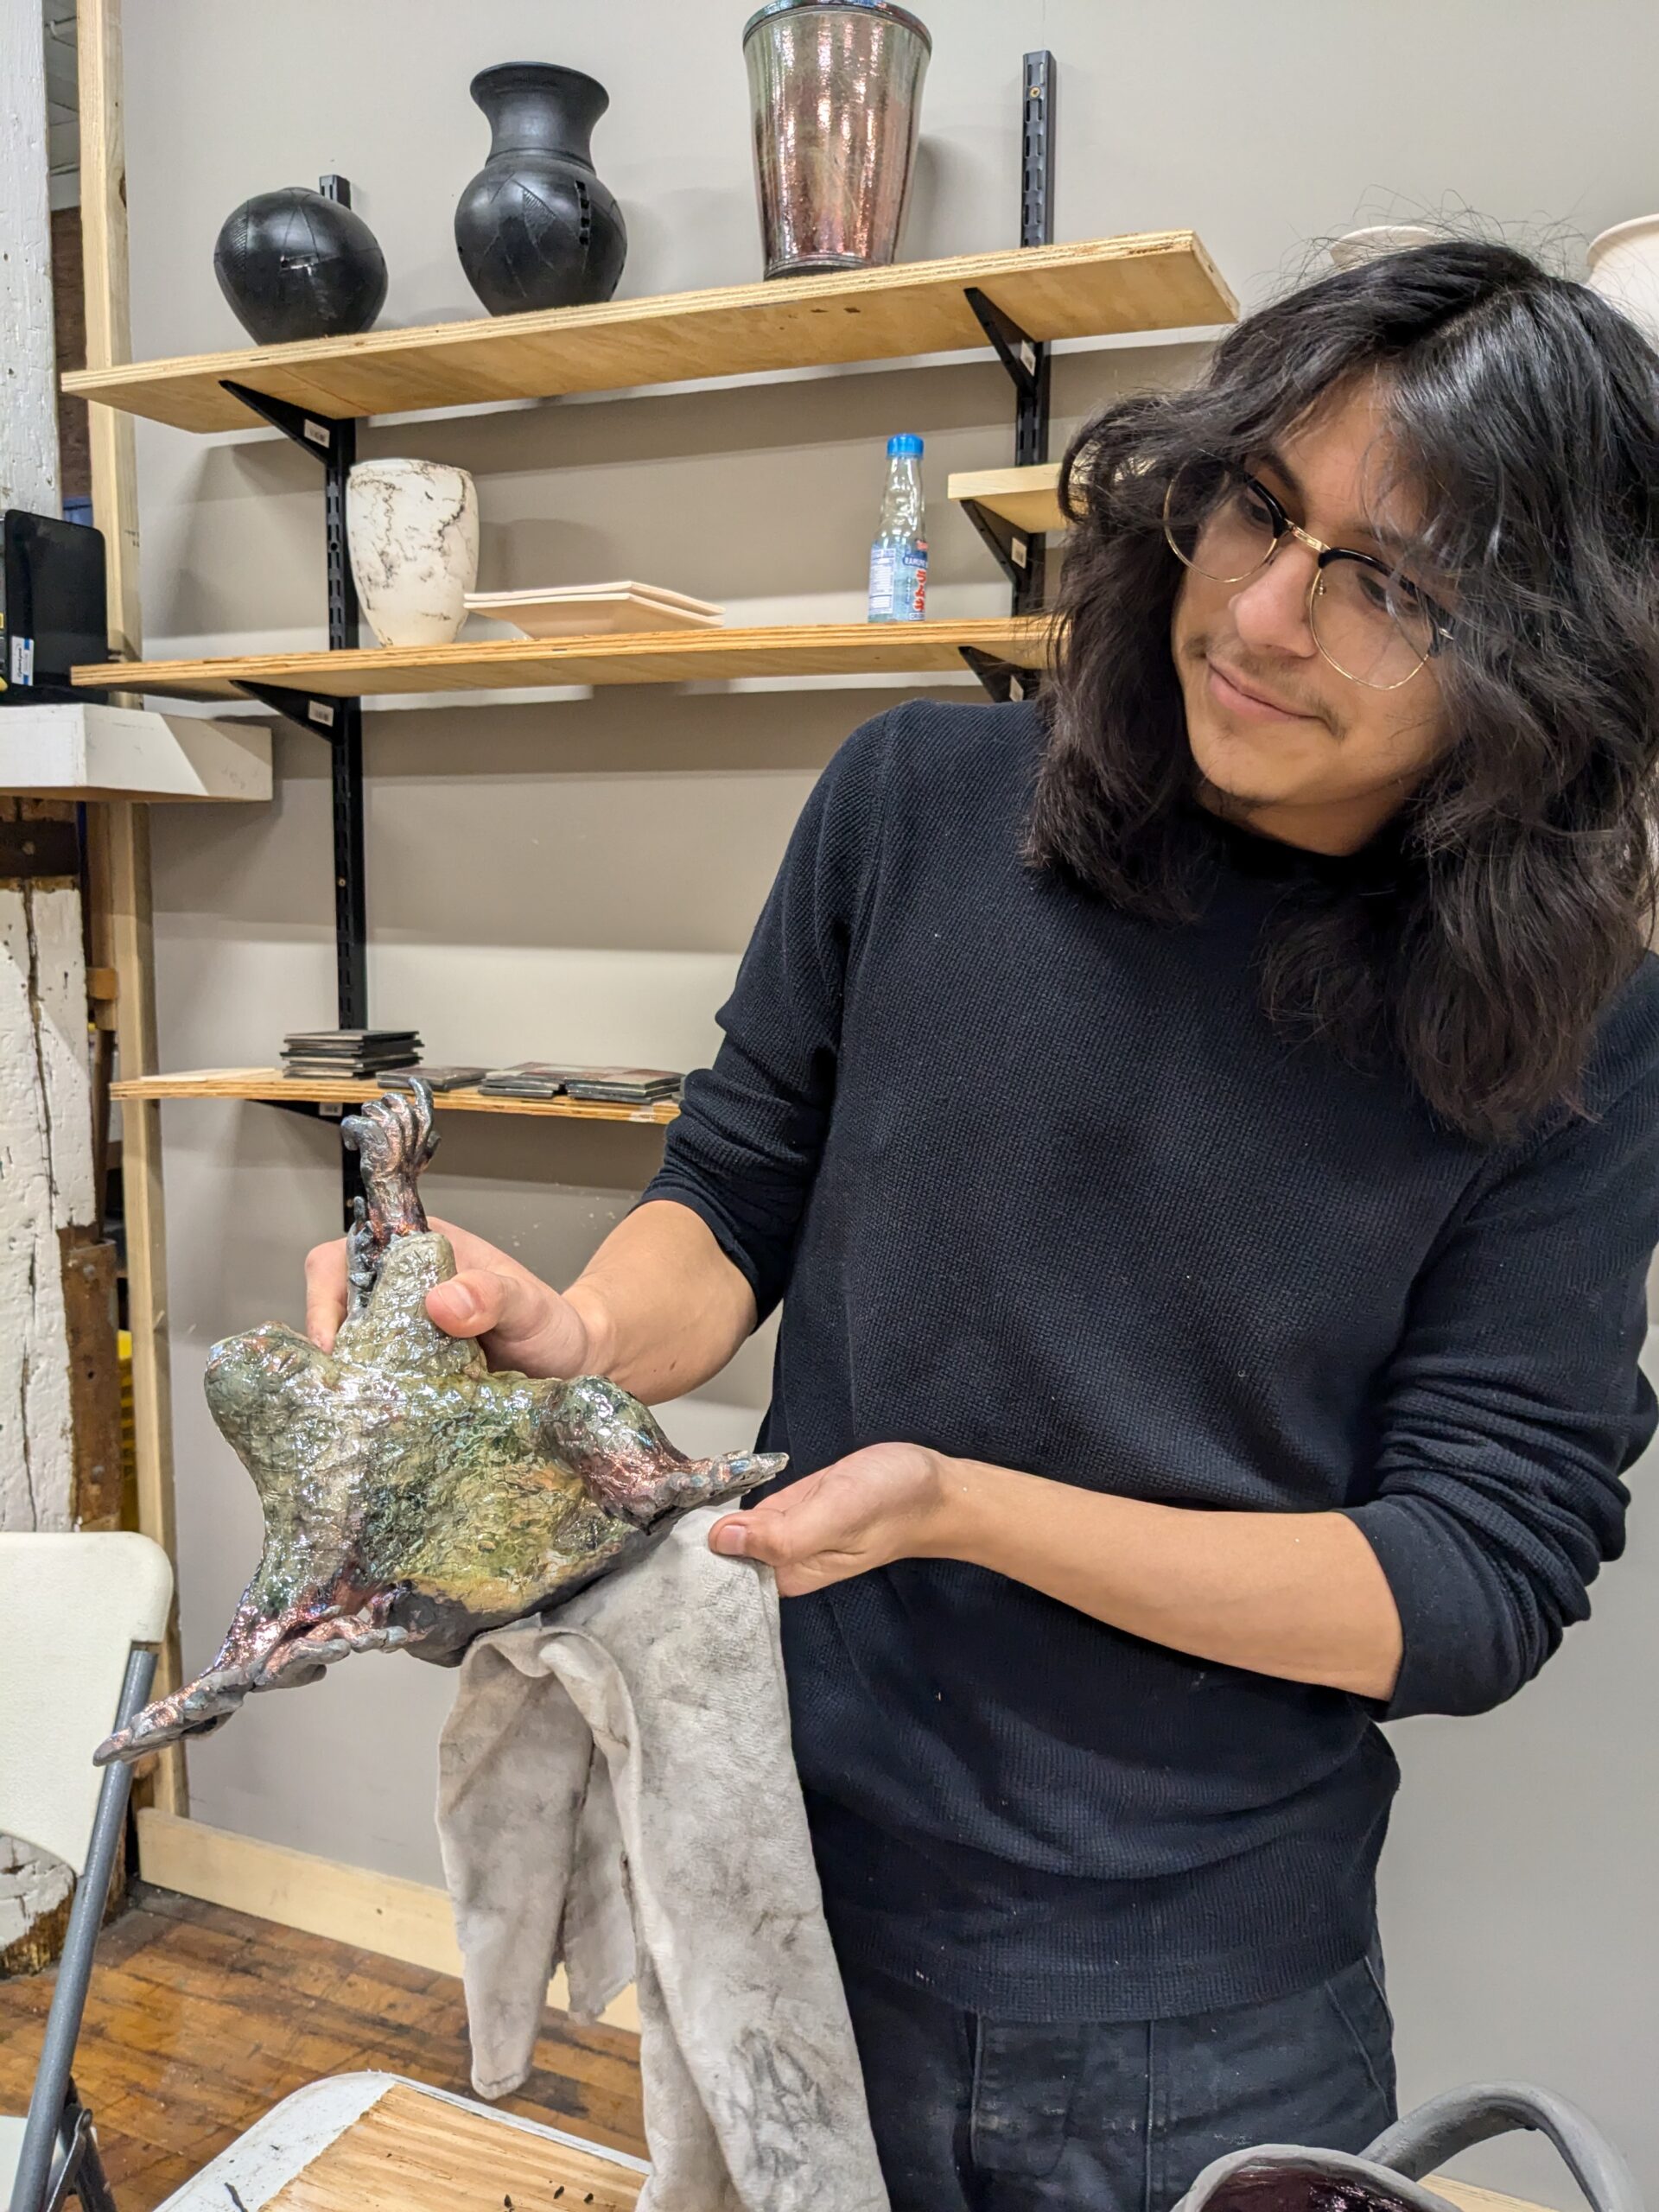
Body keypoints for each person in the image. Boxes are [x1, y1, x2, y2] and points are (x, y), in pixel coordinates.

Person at [307, 242, 1659, 2212]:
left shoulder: (1579, 1027)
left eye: (1390, 581)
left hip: (1192, 2000)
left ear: (1537, 662)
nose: (1267, 613)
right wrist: (573, 1329)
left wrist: (965, 1504)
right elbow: (734, 1191)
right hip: (788, 1872)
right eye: (1259, 512)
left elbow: (1467, 1581)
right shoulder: (921, 802)